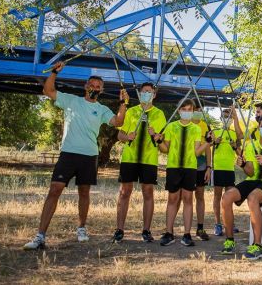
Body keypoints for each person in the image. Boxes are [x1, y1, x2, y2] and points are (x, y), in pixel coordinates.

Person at [23, 61, 128, 250]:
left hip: (89, 156)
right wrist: (55, 72)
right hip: (68, 154)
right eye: (92, 86)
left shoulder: (102, 109)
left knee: (84, 192)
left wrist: (123, 104)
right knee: (54, 190)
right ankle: (40, 236)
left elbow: (118, 122)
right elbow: (48, 90)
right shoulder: (71, 100)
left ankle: (81, 228)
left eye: (98, 87)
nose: (94, 89)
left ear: (101, 90)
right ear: (85, 86)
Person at [220, 116, 262, 260]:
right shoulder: (250, 146)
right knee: (226, 197)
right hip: (253, 180)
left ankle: (258, 246)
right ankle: (229, 240)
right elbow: (250, 172)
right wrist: (242, 165)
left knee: (253, 198)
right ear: (258, 128)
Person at [113, 82, 166, 243]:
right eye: (144, 92)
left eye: (149, 92)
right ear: (139, 94)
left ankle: (146, 230)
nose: (146, 94)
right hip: (130, 158)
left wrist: (157, 135)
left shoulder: (159, 114)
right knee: (124, 192)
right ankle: (119, 229)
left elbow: (162, 140)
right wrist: (126, 137)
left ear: (154, 95)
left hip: (149, 160)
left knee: (148, 193)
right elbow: (119, 136)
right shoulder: (131, 111)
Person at [155, 99, 213, 247]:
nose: (187, 112)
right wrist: (158, 141)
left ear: (193, 111)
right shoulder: (171, 126)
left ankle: (187, 234)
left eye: (189, 109)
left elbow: (196, 152)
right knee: (172, 199)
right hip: (173, 167)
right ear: (179, 110)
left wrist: (208, 142)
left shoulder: (196, 129)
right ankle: (169, 233)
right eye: (184, 109)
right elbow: (165, 149)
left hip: (190, 168)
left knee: (188, 199)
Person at [211, 107, 243, 236]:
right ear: (220, 118)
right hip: (218, 168)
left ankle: (230, 223)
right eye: (224, 117)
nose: (226, 120)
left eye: (229, 117)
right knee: (217, 196)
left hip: (230, 169)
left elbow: (240, 152)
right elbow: (208, 146)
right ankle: (218, 223)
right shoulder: (215, 132)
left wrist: (235, 147)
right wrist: (214, 142)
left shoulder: (234, 134)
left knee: (229, 198)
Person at [191, 101, 212, 241]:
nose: (198, 111)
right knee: (181, 197)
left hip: (201, 166)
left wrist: (209, 167)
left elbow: (208, 147)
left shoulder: (205, 126)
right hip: (186, 165)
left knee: (200, 196)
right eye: (196, 109)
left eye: (200, 109)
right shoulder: (185, 122)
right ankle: (172, 230)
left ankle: (200, 227)